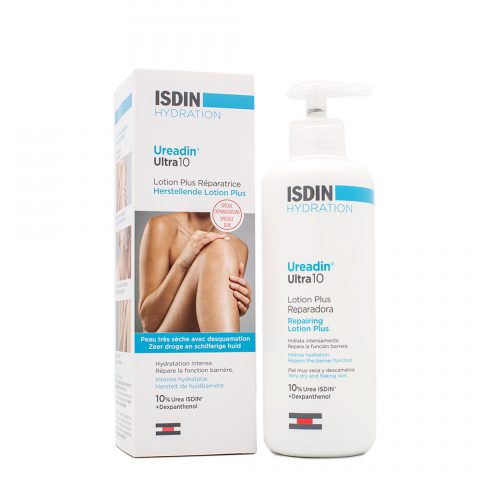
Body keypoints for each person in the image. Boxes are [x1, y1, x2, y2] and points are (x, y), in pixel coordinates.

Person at [138, 212, 252, 333]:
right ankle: (230, 346)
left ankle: (228, 346)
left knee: (220, 248)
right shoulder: (162, 226)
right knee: (219, 249)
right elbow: (148, 323)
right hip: (163, 341)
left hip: (204, 341)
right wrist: (182, 264)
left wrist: (236, 305)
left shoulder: (238, 247)